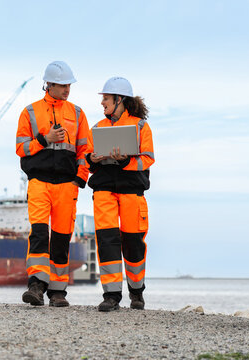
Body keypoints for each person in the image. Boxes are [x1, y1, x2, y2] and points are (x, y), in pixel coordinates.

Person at [15, 61, 90, 307]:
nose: (67, 89)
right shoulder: (30, 112)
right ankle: (36, 285)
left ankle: (58, 292)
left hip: (67, 185)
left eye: (68, 84)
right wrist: (44, 139)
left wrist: (81, 177)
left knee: (61, 237)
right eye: (61, 85)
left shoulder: (78, 113)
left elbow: (84, 150)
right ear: (49, 84)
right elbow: (21, 148)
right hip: (39, 182)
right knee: (38, 233)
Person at [85, 77, 155, 312]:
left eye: (105, 98)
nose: (102, 102)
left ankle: (137, 293)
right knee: (107, 243)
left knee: (134, 244)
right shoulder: (96, 128)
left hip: (132, 192)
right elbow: (87, 158)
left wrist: (125, 160)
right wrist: (91, 159)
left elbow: (147, 159)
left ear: (119, 100)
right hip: (104, 190)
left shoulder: (141, 127)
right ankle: (111, 296)